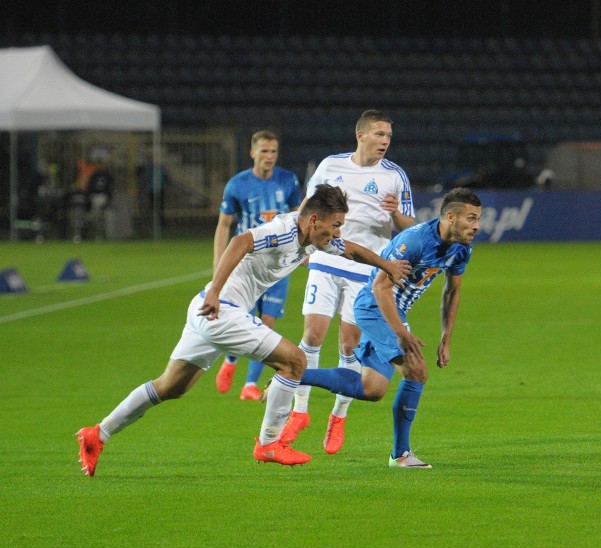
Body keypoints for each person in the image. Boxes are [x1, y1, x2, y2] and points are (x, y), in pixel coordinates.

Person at [76, 184, 411, 477]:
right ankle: (268, 443)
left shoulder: (313, 241)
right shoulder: (283, 230)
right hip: (221, 310)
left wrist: (387, 265)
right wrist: (215, 291)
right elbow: (239, 242)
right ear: (313, 220)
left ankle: (98, 434)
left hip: (207, 313)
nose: (337, 232)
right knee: (295, 360)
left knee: (170, 387)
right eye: (335, 225)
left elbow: (351, 249)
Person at [296, 187, 482, 468]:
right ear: (451, 216)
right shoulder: (414, 240)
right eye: (471, 218)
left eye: (478, 218)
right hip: (375, 307)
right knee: (417, 371)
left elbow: (452, 292)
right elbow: (380, 287)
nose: (476, 226)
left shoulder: (462, 248)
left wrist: (446, 338)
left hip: (395, 312)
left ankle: (294, 374)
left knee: (372, 389)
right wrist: (401, 332)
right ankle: (400, 455)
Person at [280, 109, 416, 454]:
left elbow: (409, 227)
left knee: (348, 345)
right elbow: (306, 208)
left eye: (388, 135)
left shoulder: (395, 176)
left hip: (365, 269)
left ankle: (338, 416)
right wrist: (300, 246)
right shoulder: (330, 166)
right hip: (326, 260)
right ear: (361, 135)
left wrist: (395, 214)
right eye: (379, 134)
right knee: (311, 334)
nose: (384, 141)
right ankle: (299, 411)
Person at [213, 130, 302, 400]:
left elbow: (299, 217)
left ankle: (249, 384)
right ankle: (230, 361)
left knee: (268, 321)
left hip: (277, 262)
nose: (269, 157)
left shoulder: (288, 180)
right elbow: (224, 225)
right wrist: (219, 265)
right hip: (246, 262)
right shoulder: (237, 184)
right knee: (243, 318)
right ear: (252, 153)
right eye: (264, 151)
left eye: (273, 151)